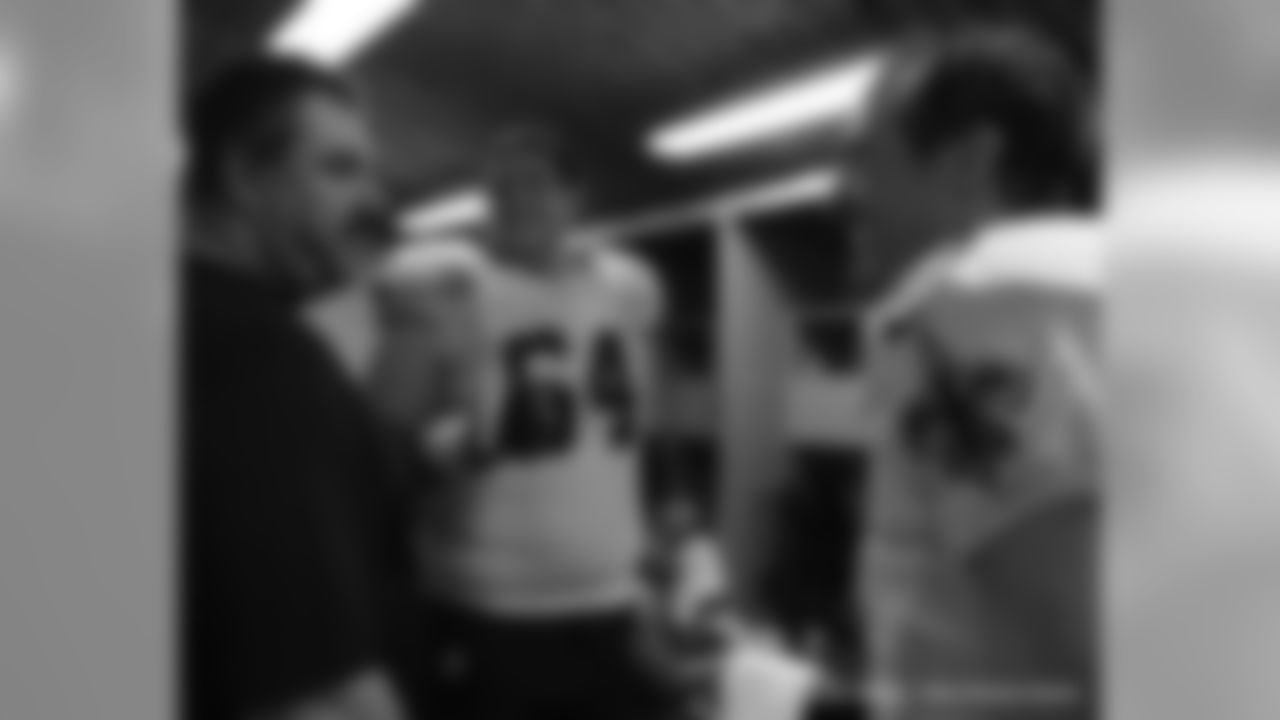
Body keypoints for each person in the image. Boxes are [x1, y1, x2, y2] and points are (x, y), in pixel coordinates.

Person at [843, 27, 1101, 720]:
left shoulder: (965, 303)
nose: (848, 192)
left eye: (868, 159)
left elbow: (1084, 644)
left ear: (971, 161)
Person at [369, 128, 670, 720]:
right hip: (488, 606)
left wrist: (650, 562)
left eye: (535, 183)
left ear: (575, 196)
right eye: (501, 187)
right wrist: (444, 447)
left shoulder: (629, 290)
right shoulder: (449, 290)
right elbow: (377, 443)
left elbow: (635, 434)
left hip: (609, 601)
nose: (517, 199)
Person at [182, 56, 432, 720]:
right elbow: (321, 697)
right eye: (340, 169)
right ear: (244, 176)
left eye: (371, 174)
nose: (372, 202)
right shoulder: (258, 357)